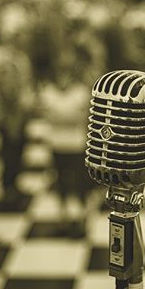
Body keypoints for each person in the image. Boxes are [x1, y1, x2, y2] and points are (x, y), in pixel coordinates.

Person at [41, 50, 92, 236]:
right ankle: (63, 217)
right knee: (60, 182)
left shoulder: (81, 91)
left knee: (80, 184)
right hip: (56, 144)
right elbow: (50, 116)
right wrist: (68, 116)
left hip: (77, 144)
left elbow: (82, 117)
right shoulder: (48, 91)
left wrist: (61, 116)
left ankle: (80, 217)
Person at [0, 34, 36, 204]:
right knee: (8, 153)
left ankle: (14, 184)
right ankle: (7, 187)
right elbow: (5, 90)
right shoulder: (5, 63)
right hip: (9, 115)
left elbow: (26, 83)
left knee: (18, 151)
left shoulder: (23, 60)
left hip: (20, 112)